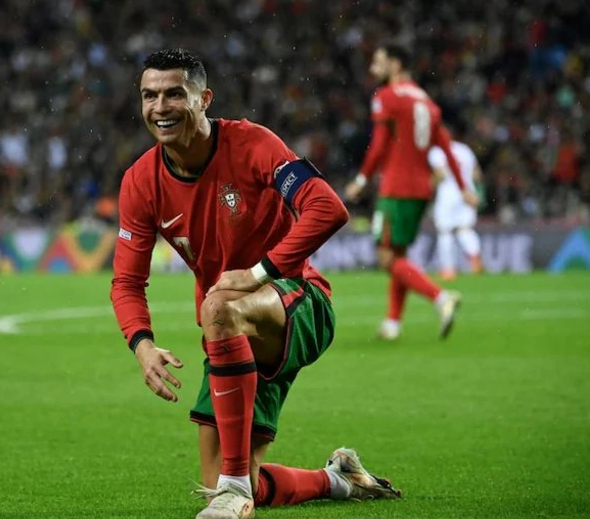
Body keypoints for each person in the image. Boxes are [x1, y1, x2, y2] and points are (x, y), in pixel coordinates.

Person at [110, 48, 401, 519]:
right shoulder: (141, 182)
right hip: (230, 335)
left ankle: (233, 489)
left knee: (219, 305)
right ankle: (339, 480)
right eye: (149, 96)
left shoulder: (253, 144)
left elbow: (327, 207)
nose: (160, 107)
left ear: (204, 99)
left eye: (174, 94)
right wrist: (142, 345)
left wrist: (259, 273)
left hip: (299, 303)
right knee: (226, 482)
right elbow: (126, 281)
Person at [345, 44, 479, 342]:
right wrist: (464, 188)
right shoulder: (426, 101)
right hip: (421, 190)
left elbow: (378, 146)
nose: (373, 69)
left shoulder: (387, 97)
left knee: (385, 258)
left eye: (378, 62)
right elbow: (446, 147)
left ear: (395, 64)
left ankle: (441, 297)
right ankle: (393, 323)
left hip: (395, 188)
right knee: (400, 255)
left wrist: (362, 179)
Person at [428, 118, 484, 280]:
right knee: (465, 229)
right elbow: (476, 174)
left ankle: (448, 269)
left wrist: (429, 186)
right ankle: (475, 259)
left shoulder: (437, 151)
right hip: (467, 192)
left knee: (445, 231)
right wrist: (478, 193)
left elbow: (440, 174)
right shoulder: (465, 150)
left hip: (448, 194)